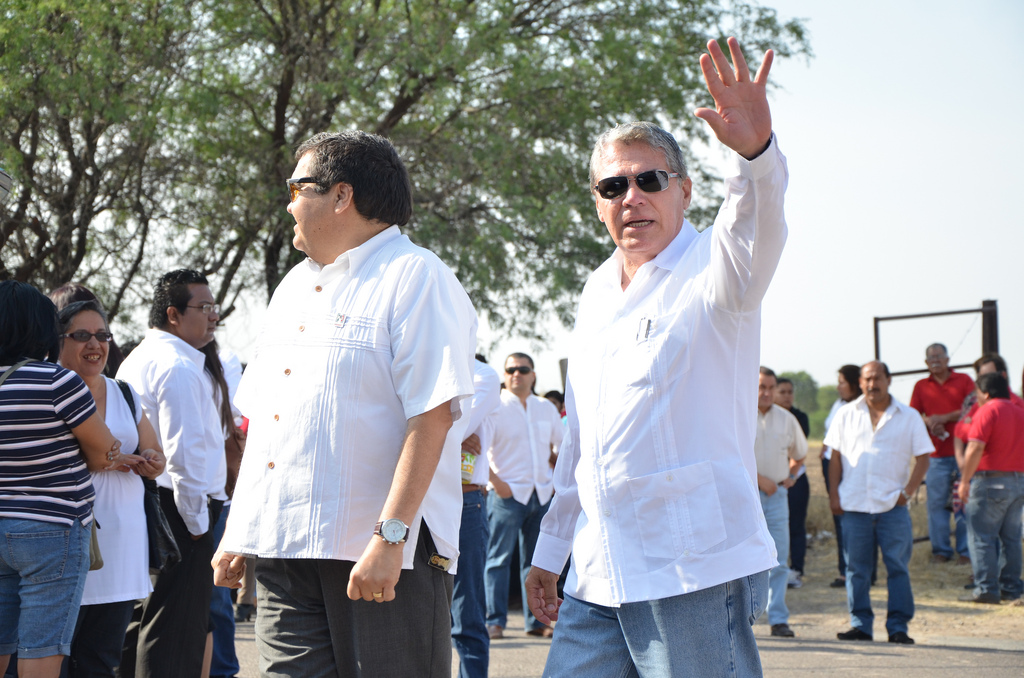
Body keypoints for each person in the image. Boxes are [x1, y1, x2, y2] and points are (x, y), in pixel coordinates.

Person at [525, 37, 786, 676]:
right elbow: (582, 437)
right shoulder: (594, 292)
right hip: (598, 568)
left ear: (685, 191)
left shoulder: (716, 271)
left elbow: (756, 225)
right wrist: (551, 549)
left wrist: (755, 155)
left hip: (688, 566)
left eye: (649, 180)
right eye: (614, 185)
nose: (631, 197)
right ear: (597, 203)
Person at [212, 131, 477, 678]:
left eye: (297, 188)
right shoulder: (291, 288)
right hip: (284, 550)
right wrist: (241, 529)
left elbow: (431, 416)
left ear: (341, 195)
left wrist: (391, 537)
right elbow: (267, 420)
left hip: (378, 554)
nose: (289, 203)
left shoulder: (416, 276)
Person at [0, 281, 135, 678]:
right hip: (53, 532)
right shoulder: (57, 381)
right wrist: (106, 452)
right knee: (42, 647)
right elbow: (104, 450)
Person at [116, 270, 228, 678]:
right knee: (175, 631)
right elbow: (186, 455)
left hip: (150, 502)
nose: (214, 316)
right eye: (204, 307)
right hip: (180, 511)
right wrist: (197, 525)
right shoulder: (177, 365)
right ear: (173, 314)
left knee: (146, 620)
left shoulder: (141, 356)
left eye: (214, 307)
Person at [56, 299, 167, 678]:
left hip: (122, 545)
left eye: (102, 335)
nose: (95, 344)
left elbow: (155, 452)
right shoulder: (49, 390)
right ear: (59, 340)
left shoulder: (124, 392)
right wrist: (111, 459)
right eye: (81, 335)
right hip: (69, 543)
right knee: (56, 657)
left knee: (102, 660)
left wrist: (150, 460)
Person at [827, 361, 932, 645]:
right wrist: (834, 495)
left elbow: (923, 458)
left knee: (897, 567)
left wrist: (907, 493)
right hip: (854, 506)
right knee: (856, 569)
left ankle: (898, 627)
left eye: (877, 378)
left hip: (893, 507)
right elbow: (834, 457)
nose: (872, 384)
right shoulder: (846, 414)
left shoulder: (908, 416)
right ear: (860, 382)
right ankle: (860, 625)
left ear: (888, 379)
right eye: (867, 379)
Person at [485, 353, 564, 639]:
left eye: (523, 369)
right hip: (506, 495)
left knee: (536, 563)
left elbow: (563, 447)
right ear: (504, 375)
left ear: (533, 375)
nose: (516, 373)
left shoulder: (545, 408)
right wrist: (497, 483)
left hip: (541, 494)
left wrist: (556, 481)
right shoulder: (493, 406)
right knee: (498, 560)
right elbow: (476, 448)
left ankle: (537, 622)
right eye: (510, 370)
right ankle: (495, 621)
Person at [452, 357, 501, 678]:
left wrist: (444, 431)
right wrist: (451, 434)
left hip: (466, 502)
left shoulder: (482, 375)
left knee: (466, 614)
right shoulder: (415, 363)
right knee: (414, 612)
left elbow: (439, 429)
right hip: (419, 502)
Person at [957, 372, 1024, 604]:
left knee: (982, 537)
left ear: (985, 393)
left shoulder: (987, 410)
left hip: (990, 481)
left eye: (977, 393)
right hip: (1018, 481)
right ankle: (1011, 587)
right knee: (1011, 538)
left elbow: (975, 447)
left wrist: (965, 480)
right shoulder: (1020, 411)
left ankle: (986, 589)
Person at [910, 342, 975, 564]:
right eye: (931, 358)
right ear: (926, 362)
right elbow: (913, 415)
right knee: (936, 505)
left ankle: (966, 552)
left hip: (964, 454)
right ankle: (941, 551)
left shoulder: (964, 380)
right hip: (935, 456)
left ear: (948, 359)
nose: (935, 361)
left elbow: (973, 408)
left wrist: (944, 417)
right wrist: (929, 421)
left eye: (939, 356)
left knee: (965, 503)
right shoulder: (921, 386)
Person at [754, 367, 807, 637]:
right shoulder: (739, 415)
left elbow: (800, 455)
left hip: (777, 497)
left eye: (770, 387)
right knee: (744, 561)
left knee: (778, 559)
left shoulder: (787, 419)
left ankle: (778, 619)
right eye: (761, 387)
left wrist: (791, 476)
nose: (766, 392)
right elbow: (729, 457)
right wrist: (759, 479)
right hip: (745, 497)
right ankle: (745, 621)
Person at [820, 365, 863, 588]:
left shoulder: (863, 408)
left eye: (842, 382)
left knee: (857, 517)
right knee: (839, 516)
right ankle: (844, 570)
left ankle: (861, 570)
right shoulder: (838, 405)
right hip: (832, 464)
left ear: (854, 384)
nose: (838, 387)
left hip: (850, 466)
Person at [774, 376, 810, 589]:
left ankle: (796, 569)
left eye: (790, 392)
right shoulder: (759, 416)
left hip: (795, 479)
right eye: (782, 392)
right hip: (770, 482)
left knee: (796, 525)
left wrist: (790, 475)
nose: (787, 396)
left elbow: (795, 449)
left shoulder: (799, 418)